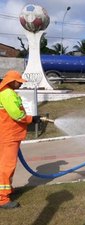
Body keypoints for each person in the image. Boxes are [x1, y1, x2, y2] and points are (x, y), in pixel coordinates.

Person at [0, 70, 41, 209]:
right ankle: (2, 199)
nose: (21, 85)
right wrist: (32, 119)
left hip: (8, 134)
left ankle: (7, 190)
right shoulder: (7, 94)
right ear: (12, 81)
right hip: (9, 135)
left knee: (5, 165)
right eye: (19, 82)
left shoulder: (6, 92)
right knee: (7, 166)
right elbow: (17, 115)